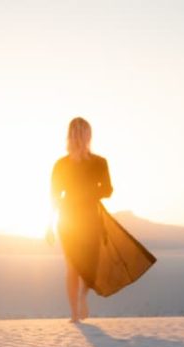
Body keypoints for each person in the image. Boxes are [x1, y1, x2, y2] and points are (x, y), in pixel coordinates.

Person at [50, 118, 156, 322]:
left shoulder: (79, 163)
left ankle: (75, 312)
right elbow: (106, 190)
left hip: (71, 218)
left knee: (75, 266)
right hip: (81, 218)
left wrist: (48, 224)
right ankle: (80, 301)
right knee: (84, 264)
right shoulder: (91, 162)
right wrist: (90, 192)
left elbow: (55, 195)